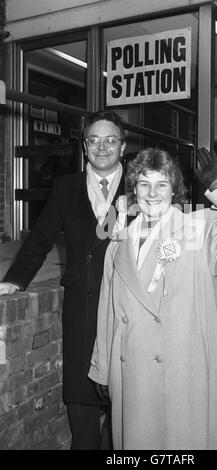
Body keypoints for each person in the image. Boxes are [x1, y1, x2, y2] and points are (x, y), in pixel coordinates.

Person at [88, 147, 217, 450]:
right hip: (132, 376)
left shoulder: (199, 228)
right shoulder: (117, 244)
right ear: (133, 190)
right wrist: (103, 368)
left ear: (174, 190)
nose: (152, 193)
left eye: (161, 184)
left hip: (182, 374)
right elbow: (108, 312)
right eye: (144, 184)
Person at [0, 110, 131, 450]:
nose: (102, 147)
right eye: (94, 140)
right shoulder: (66, 187)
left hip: (129, 307)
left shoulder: (141, 184)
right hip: (82, 306)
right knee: (81, 397)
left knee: (126, 397)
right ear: (84, 148)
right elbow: (40, 238)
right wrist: (16, 280)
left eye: (110, 140)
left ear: (123, 147)